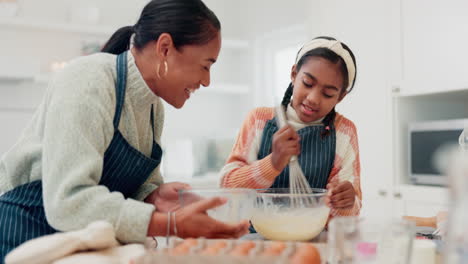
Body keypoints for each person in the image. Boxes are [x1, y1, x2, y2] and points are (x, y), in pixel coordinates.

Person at [0, 0, 249, 261]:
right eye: (206, 65)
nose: (207, 81)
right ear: (165, 47)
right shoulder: (90, 78)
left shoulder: (153, 108)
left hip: (78, 241)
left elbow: (129, 192)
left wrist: (154, 197)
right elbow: (68, 202)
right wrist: (169, 225)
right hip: (22, 232)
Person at [220, 37, 362, 217]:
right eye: (308, 84)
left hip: (315, 240)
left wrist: (346, 202)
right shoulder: (259, 121)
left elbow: (350, 213)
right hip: (257, 237)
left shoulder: (344, 132)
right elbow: (227, 187)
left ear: (340, 97)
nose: (313, 98)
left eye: (327, 94)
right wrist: (273, 163)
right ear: (294, 74)